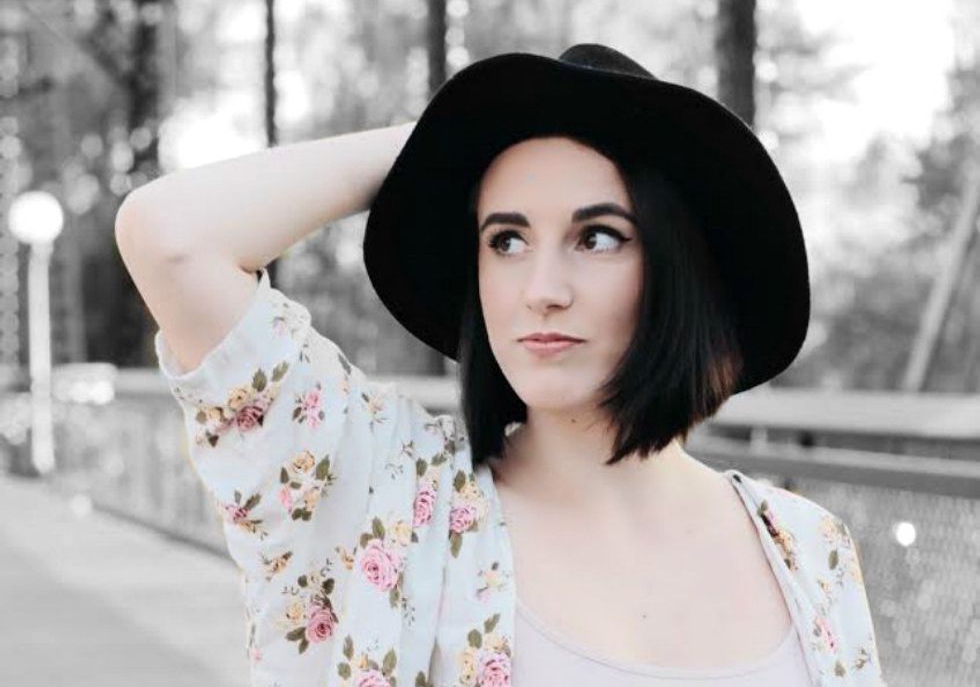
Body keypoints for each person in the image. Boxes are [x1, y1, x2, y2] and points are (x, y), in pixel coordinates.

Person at [116, 44, 886, 687]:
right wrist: (445, 139)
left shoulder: (807, 551)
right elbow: (170, 236)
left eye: (597, 237)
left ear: (678, 270)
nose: (541, 289)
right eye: (507, 240)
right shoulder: (380, 494)